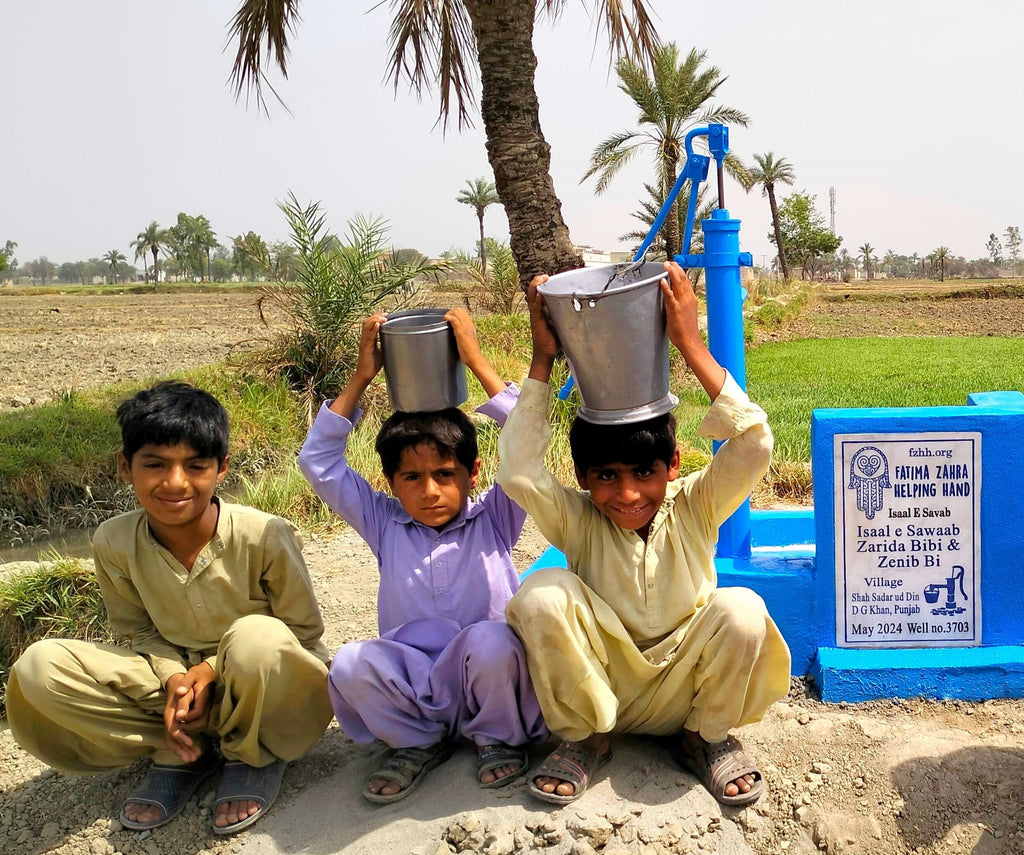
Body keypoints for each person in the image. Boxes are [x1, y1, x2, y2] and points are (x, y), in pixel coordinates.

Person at [498, 262, 791, 807]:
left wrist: (689, 343)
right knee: (540, 593)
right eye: (607, 476)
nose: (628, 494)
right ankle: (587, 740)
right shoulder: (578, 517)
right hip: (604, 691)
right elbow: (517, 470)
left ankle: (703, 739)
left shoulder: (697, 505)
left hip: (688, 689)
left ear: (673, 465)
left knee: (743, 608)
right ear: (584, 477)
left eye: (644, 473)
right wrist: (543, 359)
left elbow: (754, 442)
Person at [6, 382, 334, 835]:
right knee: (38, 668)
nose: (175, 483)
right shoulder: (113, 541)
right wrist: (176, 680)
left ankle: (254, 752)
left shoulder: (265, 534)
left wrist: (212, 671)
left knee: (256, 637)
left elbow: (302, 632)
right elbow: (138, 632)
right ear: (126, 467)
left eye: (196, 466)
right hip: (172, 684)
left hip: (261, 685)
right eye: (155, 465)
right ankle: (181, 747)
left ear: (221, 470)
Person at [297, 309, 547, 804]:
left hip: (490, 677)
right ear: (391, 483)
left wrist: (474, 359)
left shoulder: (497, 516)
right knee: (348, 664)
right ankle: (418, 743)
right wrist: (362, 376)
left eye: (445, 475)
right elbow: (318, 462)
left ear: (473, 473)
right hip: (415, 682)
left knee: (493, 639)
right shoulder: (383, 522)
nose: (430, 491)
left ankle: (496, 737)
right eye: (412, 478)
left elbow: (526, 445)